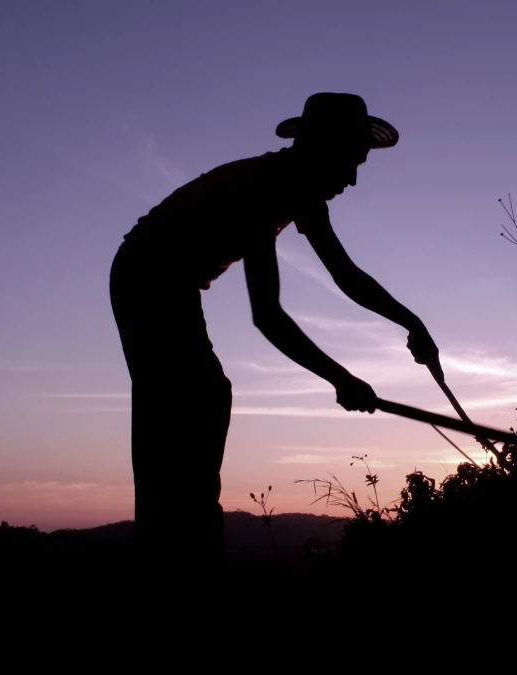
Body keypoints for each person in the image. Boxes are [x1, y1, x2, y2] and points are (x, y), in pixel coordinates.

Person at [108, 93, 440, 574]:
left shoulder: (298, 189)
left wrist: (414, 323)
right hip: (147, 277)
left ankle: (180, 547)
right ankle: (177, 555)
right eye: (349, 161)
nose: (351, 179)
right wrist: (340, 378)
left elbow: (346, 274)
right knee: (192, 400)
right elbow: (267, 315)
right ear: (321, 148)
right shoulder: (264, 189)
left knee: (196, 400)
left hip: (168, 282)